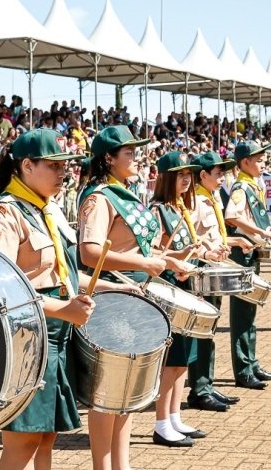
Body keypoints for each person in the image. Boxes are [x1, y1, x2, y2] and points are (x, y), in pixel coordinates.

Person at [0, 128, 127, 470]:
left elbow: (61, 275)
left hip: (55, 334)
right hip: (27, 336)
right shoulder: (6, 212)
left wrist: (111, 287)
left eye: (66, 166)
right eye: (54, 165)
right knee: (24, 438)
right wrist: (63, 309)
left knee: (46, 437)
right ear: (27, 166)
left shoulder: (42, 210)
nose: (64, 173)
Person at [77, 127, 195, 462]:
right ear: (108, 158)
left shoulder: (124, 193)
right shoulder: (99, 197)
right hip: (113, 298)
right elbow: (89, 252)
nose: (135, 157)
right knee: (109, 393)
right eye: (128, 152)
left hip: (137, 295)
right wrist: (145, 261)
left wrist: (169, 259)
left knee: (128, 393)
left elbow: (138, 246)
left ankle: (122, 463)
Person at [150, 151, 223, 447]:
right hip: (168, 289)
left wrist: (205, 254)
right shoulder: (157, 210)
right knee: (171, 360)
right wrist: (175, 261)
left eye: (188, 175)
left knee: (183, 361)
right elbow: (152, 253)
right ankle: (161, 423)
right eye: (180, 174)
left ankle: (175, 415)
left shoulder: (181, 208)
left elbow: (183, 250)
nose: (186, 179)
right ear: (167, 178)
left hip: (186, 286)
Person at [187, 151, 253, 412]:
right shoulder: (193, 202)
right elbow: (191, 237)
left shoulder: (212, 198)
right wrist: (208, 249)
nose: (223, 178)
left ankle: (207, 383)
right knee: (203, 331)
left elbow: (214, 236)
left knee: (210, 328)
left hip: (214, 267)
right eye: (217, 174)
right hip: (201, 269)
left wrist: (235, 241)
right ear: (202, 175)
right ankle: (200, 389)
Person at [224, 141, 271, 390]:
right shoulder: (241, 187)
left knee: (250, 311)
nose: (263, 163)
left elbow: (250, 221)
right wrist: (259, 232)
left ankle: (251, 363)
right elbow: (233, 216)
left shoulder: (252, 185)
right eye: (259, 159)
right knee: (242, 314)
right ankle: (243, 370)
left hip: (251, 251)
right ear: (245, 163)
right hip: (241, 254)